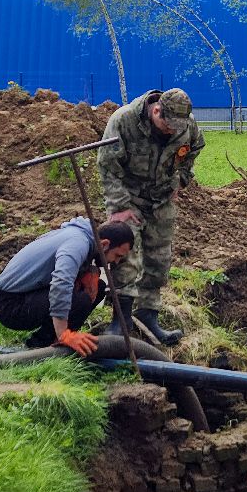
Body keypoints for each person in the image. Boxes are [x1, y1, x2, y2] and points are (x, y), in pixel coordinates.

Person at [97, 87, 203, 346]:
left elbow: (195, 147)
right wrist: (120, 206)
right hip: (128, 198)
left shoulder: (185, 125)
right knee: (126, 257)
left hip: (161, 199)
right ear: (156, 110)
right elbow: (107, 166)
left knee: (159, 258)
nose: (171, 131)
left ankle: (148, 315)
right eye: (167, 125)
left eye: (177, 128)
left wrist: (181, 179)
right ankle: (120, 322)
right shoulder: (124, 121)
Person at [0, 218, 135, 353]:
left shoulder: (79, 236)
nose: (116, 262)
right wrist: (64, 334)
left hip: (27, 295)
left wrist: (87, 272)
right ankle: (46, 344)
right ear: (104, 244)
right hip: (10, 305)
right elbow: (61, 283)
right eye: (117, 256)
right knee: (81, 299)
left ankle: (49, 340)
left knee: (98, 287)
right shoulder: (78, 244)